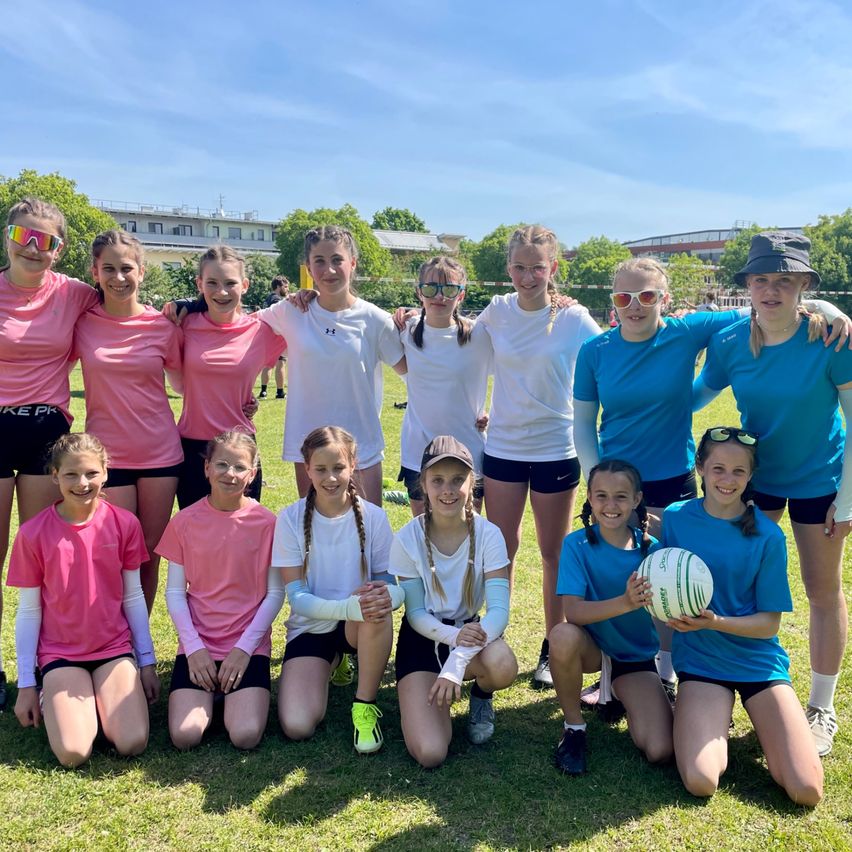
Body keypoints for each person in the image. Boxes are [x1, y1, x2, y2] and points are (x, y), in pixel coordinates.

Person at [573, 256, 851, 695]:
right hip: (676, 482)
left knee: (810, 586)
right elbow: (588, 423)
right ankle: (641, 671)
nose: (635, 305)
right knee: (641, 575)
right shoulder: (602, 350)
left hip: (738, 478)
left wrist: (830, 310)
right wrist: (600, 481)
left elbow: (768, 304)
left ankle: (811, 701)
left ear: (663, 299)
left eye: (646, 296)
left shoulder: (693, 331)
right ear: (613, 301)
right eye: (624, 297)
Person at [695, 232, 852, 757]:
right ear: (747, 286)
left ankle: (822, 707)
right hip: (754, 480)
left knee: (821, 589)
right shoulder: (731, 341)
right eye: (760, 279)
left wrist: (848, 499)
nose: (770, 289)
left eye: (784, 280)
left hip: (818, 482)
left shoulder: (830, 337)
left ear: (804, 285)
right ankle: (731, 682)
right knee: (738, 582)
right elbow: (697, 395)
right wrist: (646, 403)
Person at [663, 427, 823, 806]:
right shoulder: (675, 519)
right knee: (702, 780)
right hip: (702, 661)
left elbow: (770, 624)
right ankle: (710, 714)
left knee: (806, 790)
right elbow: (666, 577)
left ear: (751, 476)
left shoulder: (768, 536)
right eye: (718, 468)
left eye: (738, 471)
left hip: (758, 663)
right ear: (700, 467)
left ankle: (767, 715)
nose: (727, 479)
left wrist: (714, 622)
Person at [477, 225, 600, 688]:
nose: (528, 276)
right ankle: (495, 641)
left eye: (538, 267)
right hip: (504, 449)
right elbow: (455, 337)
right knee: (500, 552)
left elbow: (617, 349)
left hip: (556, 450)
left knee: (554, 553)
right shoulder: (497, 310)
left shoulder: (575, 319)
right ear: (508, 269)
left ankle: (553, 647)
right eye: (520, 267)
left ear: (553, 268)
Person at [8, 433, 159, 768]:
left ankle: (102, 698)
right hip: (61, 654)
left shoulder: (124, 524)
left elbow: (134, 596)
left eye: (91, 473)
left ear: (105, 472)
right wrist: (27, 685)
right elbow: (29, 611)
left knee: (132, 742)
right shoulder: (33, 533)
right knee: (74, 753)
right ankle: (64, 696)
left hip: (113, 650)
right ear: (54, 476)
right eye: (71, 474)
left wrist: (146, 662)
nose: (82, 483)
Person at [0, 197, 99, 707]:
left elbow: (125, 291)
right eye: (24, 237)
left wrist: (187, 308)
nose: (34, 249)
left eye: (47, 241)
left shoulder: (75, 294)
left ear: (60, 250)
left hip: (46, 433)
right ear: (8, 237)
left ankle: (43, 663)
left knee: (43, 559)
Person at [272, 426, 404, 753]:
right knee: (297, 725)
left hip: (359, 626)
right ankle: (335, 660)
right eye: (321, 469)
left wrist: (387, 597)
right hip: (312, 627)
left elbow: (393, 585)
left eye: (338, 468)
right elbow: (297, 598)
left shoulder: (373, 518)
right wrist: (347, 608)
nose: (330, 478)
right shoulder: (289, 519)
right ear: (307, 471)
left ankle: (364, 705)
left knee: (376, 610)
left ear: (353, 465)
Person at [390, 436, 516, 767]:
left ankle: (481, 697)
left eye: (458, 479)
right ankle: (427, 692)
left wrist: (457, 661)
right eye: (438, 480)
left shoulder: (489, 534)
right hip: (423, 639)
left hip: (471, 636)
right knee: (431, 752)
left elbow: (499, 611)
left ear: (472, 483)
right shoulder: (406, 538)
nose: (448, 489)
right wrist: (452, 639)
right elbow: (415, 612)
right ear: (423, 485)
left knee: (503, 664)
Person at [74, 230, 183, 610]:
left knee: (149, 555)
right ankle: (112, 642)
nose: (119, 278)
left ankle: (140, 647)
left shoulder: (163, 325)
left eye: (127, 268)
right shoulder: (82, 322)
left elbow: (188, 383)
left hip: (160, 455)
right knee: (113, 555)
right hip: (106, 458)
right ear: (95, 272)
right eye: (109, 269)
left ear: (142, 272)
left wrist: (243, 401)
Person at [259, 226, 406, 505]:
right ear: (308, 268)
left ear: (353, 263)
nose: (330, 270)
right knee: (316, 537)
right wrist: (190, 307)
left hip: (361, 448)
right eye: (320, 261)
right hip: (308, 448)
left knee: (366, 539)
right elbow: (234, 325)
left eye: (338, 260)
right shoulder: (291, 311)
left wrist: (417, 317)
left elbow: (416, 376)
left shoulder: (375, 320)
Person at [156, 431, 283, 750]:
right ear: (207, 468)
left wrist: (243, 650)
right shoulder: (184, 521)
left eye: (240, 467)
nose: (230, 473)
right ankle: (212, 693)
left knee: (245, 735)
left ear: (252, 474)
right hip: (199, 645)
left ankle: (229, 695)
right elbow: (174, 593)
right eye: (222, 464)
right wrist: (194, 648)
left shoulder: (268, 523)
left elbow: (275, 594)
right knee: (185, 736)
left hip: (246, 646)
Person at [549, 459, 671, 775]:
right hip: (590, 647)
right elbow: (572, 612)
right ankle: (574, 728)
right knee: (561, 636)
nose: (610, 505)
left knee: (659, 750)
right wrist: (627, 601)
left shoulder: (653, 550)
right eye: (601, 495)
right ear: (589, 497)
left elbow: (670, 606)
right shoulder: (576, 544)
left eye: (620, 496)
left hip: (633, 656)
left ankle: (616, 692)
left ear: (636, 500)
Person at [176, 245, 285, 509]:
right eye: (212, 282)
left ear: (245, 285)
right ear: (199, 284)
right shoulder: (183, 324)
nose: (221, 291)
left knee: (242, 536)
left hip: (240, 448)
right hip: (193, 446)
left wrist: (309, 296)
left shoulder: (262, 331)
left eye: (230, 283)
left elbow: (310, 332)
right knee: (196, 535)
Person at [396, 257, 491, 516]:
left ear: (461, 295)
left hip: (469, 452)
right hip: (419, 454)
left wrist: (497, 414)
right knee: (424, 539)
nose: (439, 296)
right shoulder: (406, 330)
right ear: (418, 292)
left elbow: (516, 371)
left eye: (449, 289)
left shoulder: (480, 334)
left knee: (468, 537)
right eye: (430, 288)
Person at [259, 275, 290, 400]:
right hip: (277, 335)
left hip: (266, 335)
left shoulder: (268, 298)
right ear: (278, 286)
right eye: (285, 286)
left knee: (268, 364)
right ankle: (280, 392)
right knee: (281, 362)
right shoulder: (277, 300)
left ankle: (263, 391)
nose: (287, 289)